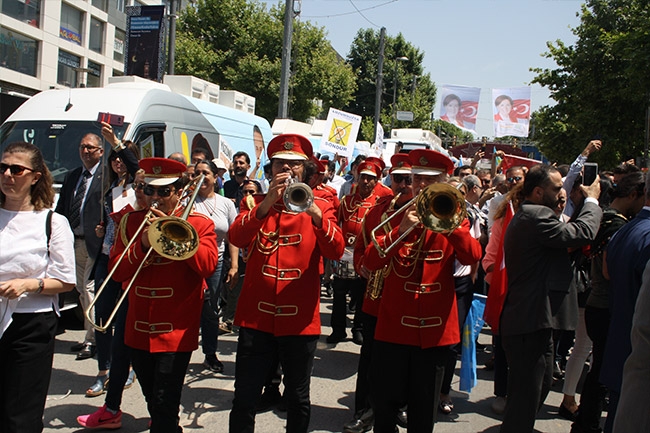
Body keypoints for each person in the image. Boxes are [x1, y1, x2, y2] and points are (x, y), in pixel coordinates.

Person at [228, 133, 345, 433]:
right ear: (271, 170)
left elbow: (337, 250)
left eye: (294, 165)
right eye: (280, 164)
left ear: (305, 171)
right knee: (244, 398)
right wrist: (266, 204)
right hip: (256, 318)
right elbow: (237, 237)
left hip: (299, 321)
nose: (287, 170)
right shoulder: (255, 202)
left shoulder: (320, 204)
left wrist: (317, 216)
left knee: (298, 398)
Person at [362, 149, 482, 433]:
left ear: (444, 183)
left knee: (423, 411)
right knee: (385, 406)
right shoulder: (395, 213)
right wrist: (400, 229)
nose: (421, 187)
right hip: (393, 328)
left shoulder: (455, 213)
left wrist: (449, 225)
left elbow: (472, 255)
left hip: (434, 331)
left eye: (430, 181)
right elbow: (370, 260)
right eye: (417, 180)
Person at [108, 157, 218, 432]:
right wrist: (144, 241)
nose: (154, 197)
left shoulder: (199, 223)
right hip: (138, 328)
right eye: (149, 190)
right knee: (153, 400)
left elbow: (207, 266)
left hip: (175, 331)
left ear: (179, 191)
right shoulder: (130, 222)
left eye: (163, 191)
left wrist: (177, 231)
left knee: (165, 401)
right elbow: (117, 273)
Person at [499, 164, 602, 433]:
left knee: (539, 386)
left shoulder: (538, 214)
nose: (563, 193)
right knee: (524, 399)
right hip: (527, 323)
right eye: (557, 188)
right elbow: (581, 233)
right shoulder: (534, 217)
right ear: (536, 192)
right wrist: (591, 200)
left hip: (535, 323)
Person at [0, 142, 76, 433]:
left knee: (20, 415)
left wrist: (28, 284)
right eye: (3, 168)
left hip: (31, 325)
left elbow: (66, 280)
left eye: (16, 169)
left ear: (35, 177)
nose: (8, 174)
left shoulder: (53, 222)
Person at [343, 153, 413, 433]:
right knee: (371, 358)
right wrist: (362, 267)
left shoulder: (430, 212)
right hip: (376, 297)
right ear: (391, 180)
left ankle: (398, 407)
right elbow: (360, 247)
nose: (404, 184)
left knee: (404, 361)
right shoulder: (377, 210)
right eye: (398, 179)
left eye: (410, 179)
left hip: (408, 297)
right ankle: (364, 411)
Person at [571, 172, 646, 433]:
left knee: (598, 367)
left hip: (601, 304)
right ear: (634, 194)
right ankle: (587, 421)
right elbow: (606, 271)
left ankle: (585, 419)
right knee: (600, 371)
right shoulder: (619, 224)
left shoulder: (620, 224)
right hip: (604, 306)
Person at [77, 169, 149, 430]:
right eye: (139, 186)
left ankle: (159, 411)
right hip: (125, 284)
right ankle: (111, 407)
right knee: (119, 348)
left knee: (146, 359)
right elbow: (117, 259)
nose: (140, 191)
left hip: (154, 298)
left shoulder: (161, 217)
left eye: (146, 187)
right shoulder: (125, 212)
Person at [600, 173, 650, 433]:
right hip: (637, 355)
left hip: (621, 346)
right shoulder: (644, 234)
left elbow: (608, 273)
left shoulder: (626, 229)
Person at [55, 131, 107, 360]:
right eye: (82, 147)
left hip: (93, 243)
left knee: (88, 289)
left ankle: (93, 339)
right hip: (72, 241)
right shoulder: (72, 176)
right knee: (79, 289)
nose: (85, 151)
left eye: (90, 148)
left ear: (100, 151)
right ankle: (90, 335)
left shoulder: (106, 176)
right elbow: (63, 209)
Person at [192, 159, 239, 374]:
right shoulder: (186, 201)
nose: (200, 177)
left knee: (210, 309)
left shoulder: (226, 204)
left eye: (205, 173)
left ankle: (209, 354)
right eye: (196, 173)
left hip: (216, 262)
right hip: (189, 262)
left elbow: (234, 237)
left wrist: (234, 266)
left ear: (214, 177)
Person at [328, 160, 381, 345]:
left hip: (365, 253)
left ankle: (358, 329)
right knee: (339, 293)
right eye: (363, 177)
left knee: (360, 294)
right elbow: (336, 221)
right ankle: (338, 329)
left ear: (377, 181)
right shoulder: (347, 201)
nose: (365, 182)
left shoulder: (378, 204)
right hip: (346, 252)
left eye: (370, 178)